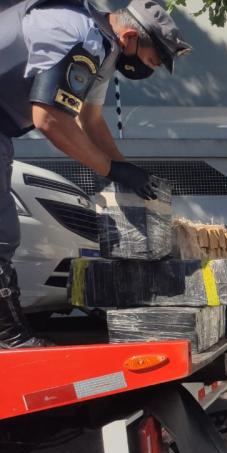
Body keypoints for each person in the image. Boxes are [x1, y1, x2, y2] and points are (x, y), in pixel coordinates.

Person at [0, 0, 191, 348]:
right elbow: (50, 119)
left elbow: (90, 119)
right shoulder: (82, 36)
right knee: (2, 233)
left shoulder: (102, 49)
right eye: (150, 61)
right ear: (131, 36)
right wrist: (110, 168)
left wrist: (124, 169)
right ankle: (8, 336)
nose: (147, 70)